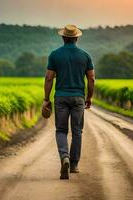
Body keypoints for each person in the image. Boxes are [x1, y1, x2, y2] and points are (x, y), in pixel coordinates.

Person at [43, 24, 95, 180]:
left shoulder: (54, 55)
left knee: (61, 130)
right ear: (76, 38)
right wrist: (89, 97)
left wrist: (46, 98)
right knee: (77, 131)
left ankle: (64, 157)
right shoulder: (85, 56)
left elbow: (49, 78)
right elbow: (91, 79)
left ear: (63, 37)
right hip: (78, 97)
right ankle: (73, 165)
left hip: (61, 97)